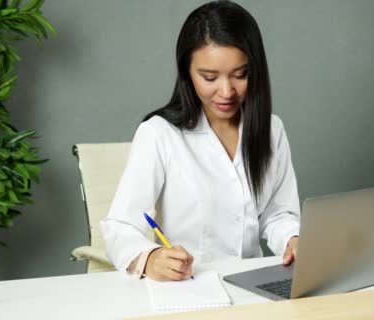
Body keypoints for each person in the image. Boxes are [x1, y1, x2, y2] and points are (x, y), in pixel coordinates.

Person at [101, 0, 301, 282]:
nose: (226, 91)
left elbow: (277, 214)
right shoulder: (159, 133)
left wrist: (293, 239)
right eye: (209, 77)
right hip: (187, 285)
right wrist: (149, 258)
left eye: (240, 75)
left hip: (254, 284)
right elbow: (119, 226)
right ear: (187, 73)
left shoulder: (271, 129)